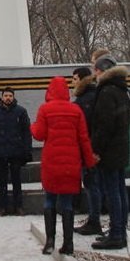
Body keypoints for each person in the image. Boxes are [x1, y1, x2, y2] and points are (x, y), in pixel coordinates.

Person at [31, 76, 97, 255]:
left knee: (49, 200)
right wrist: (90, 161)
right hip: (71, 162)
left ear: (50, 91)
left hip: (51, 161)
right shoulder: (75, 110)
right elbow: (83, 138)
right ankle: (68, 244)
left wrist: (33, 126)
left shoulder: (45, 109)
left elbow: (39, 134)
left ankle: (50, 241)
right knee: (67, 203)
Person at [90, 55, 130, 250]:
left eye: (95, 70)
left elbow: (104, 125)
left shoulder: (106, 92)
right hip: (120, 148)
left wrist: (95, 149)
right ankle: (120, 231)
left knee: (113, 192)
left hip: (109, 150)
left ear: (102, 71)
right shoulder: (122, 90)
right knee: (120, 191)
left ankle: (116, 234)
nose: (94, 73)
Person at [0, 87, 32, 216]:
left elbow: (26, 133)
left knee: (17, 181)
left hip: (16, 152)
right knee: (2, 181)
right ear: (1, 97)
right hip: (1, 152)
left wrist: (27, 151)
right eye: (6, 95)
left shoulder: (21, 112)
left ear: (14, 97)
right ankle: (2, 207)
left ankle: (19, 207)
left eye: (10, 96)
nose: (8, 98)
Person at [71, 66, 103, 236]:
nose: (72, 82)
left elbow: (87, 128)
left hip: (89, 150)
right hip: (92, 149)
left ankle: (94, 221)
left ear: (83, 79)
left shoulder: (85, 100)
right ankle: (95, 218)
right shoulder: (94, 95)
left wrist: (91, 149)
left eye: (75, 79)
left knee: (92, 186)